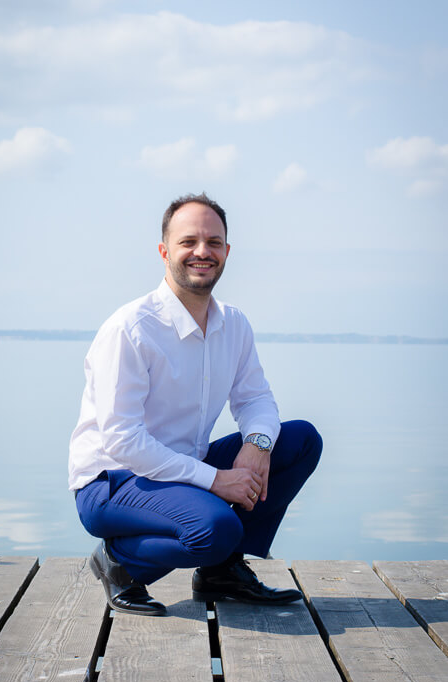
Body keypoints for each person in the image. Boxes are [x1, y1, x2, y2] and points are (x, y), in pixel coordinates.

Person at [69, 193, 322, 616]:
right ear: (164, 251)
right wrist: (215, 480)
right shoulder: (130, 329)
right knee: (215, 528)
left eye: (213, 242)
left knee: (299, 441)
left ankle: (220, 573)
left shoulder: (234, 324)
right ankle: (119, 564)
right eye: (188, 242)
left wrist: (257, 444)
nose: (202, 252)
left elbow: (256, 398)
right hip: (112, 481)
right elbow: (123, 441)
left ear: (227, 251)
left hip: (183, 469)